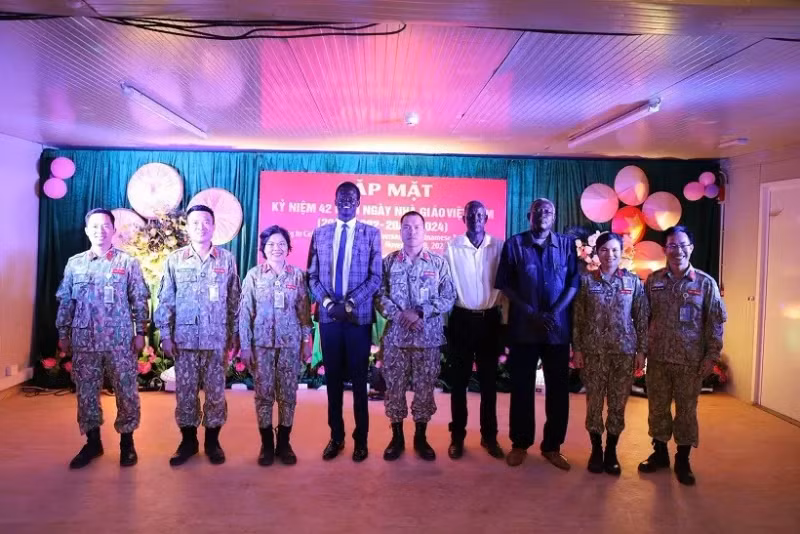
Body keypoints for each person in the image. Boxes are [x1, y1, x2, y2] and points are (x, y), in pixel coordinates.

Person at [55, 208, 150, 469]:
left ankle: (127, 444)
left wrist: (140, 332)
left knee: (126, 391)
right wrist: (63, 333)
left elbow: (139, 300)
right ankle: (92, 443)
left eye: (106, 226)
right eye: (95, 226)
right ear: (87, 231)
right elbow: (66, 301)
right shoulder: (75, 263)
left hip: (120, 340)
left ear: (113, 230)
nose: (100, 231)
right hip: (85, 341)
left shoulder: (127, 263)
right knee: (86, 393)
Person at [638, 225, 726, 485]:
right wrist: (641, 350)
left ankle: (683, 459)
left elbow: (715, 322)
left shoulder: (705, 283)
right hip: (658, 358)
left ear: (691, 248)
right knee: (657, 408)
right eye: (672, 245)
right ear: (665, 249)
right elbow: (643, 318)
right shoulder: (653, 281)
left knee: (686, 411)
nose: (678, 250)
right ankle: (660, 453)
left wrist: (711, 356)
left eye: (683, 245)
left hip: (690, 361)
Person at [495, 198, 579, 470]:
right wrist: (530, 311)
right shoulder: (514, 244)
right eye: (538, 211)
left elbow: (573, 283)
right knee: (521, 388)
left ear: (554, 217)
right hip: (524, 327)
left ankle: (552, 446)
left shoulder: (566, 245)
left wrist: (554, 312)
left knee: (559, 390)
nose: (542, 214)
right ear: (528, 215)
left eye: (548, 211)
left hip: (557, 329)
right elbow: (504, 284)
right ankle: (520, 444)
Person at [155, 204, 241, 466]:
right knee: (186, 393)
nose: (201, 227)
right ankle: (188, 442)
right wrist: (165, 334)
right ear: (187, 227)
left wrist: (235, 333)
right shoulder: (175, 260)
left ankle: (213, 442)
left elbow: (234, 300)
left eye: (206, 222)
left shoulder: (226, 259)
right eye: (195, 222)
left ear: (213, 226)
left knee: (215, 393)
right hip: (185, 340)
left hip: (217, 340)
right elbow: (166, 300)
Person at [307, 181, 382, 462]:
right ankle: (336, 437)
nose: (346, 202)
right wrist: (328, 304)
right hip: (329, 319)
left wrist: (350, 304)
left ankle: (361, 440)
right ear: (335, 201)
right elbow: (312, 276)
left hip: (357, 319)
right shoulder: (321, 233)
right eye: (342, 197)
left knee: (360, 382)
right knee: (334, 381)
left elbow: (375, 277)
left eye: (351, 198)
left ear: (359, 202)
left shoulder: (371, 234)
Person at [376, 211, 456, 461]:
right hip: (397, 339)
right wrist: (400, 315)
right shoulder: (389, 262)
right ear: (400, 231)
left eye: (417, 227)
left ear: (424, 230)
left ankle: (421, 437)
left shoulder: (438, 263)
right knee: (394, 388)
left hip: (427, 339)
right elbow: (379, 295)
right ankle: (397, 437)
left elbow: (448, 296)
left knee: (424, 389)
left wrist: (421, 312)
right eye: (407, 227)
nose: (412, 231)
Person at [572, 232, 648, 475]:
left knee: (617, 403)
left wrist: (641, 351)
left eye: (615, 250)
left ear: (621, 252)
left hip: (623, 353)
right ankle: (596, 449)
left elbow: (642, 318)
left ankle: (611, 450)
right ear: (597, 252)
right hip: (593, 353)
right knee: (594, 403)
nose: (610, 255)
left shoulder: (632, 282)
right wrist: (577, 349)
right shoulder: (586, 282)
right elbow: (578, 318)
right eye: (604, 249)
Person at [239, 226, 313, 466]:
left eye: (281, 244)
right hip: (261, 346)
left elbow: (304, 312)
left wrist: (306, 341)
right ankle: (267, 444)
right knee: (264, 395)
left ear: (288, 248)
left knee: (288, 395)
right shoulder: (254, 275)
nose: (276, 248)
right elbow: (245, 313)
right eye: (271, 244)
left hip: (290, 345)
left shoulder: (297, 276)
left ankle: (284, 443)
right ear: (263, 248)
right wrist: (245, 346)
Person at [444, 200, 505, 460]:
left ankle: (489, 437)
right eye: (471, 214)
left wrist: (505, 324)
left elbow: (507, 288)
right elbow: (445, 286)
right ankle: (457, 437)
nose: (475, 218)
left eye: (480, 215)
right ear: (464, 218)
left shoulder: (499, 247)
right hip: (461, 320)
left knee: (489, 384)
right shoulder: (451, 247)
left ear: (486, 218)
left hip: (490, 321)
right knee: (458, 384)